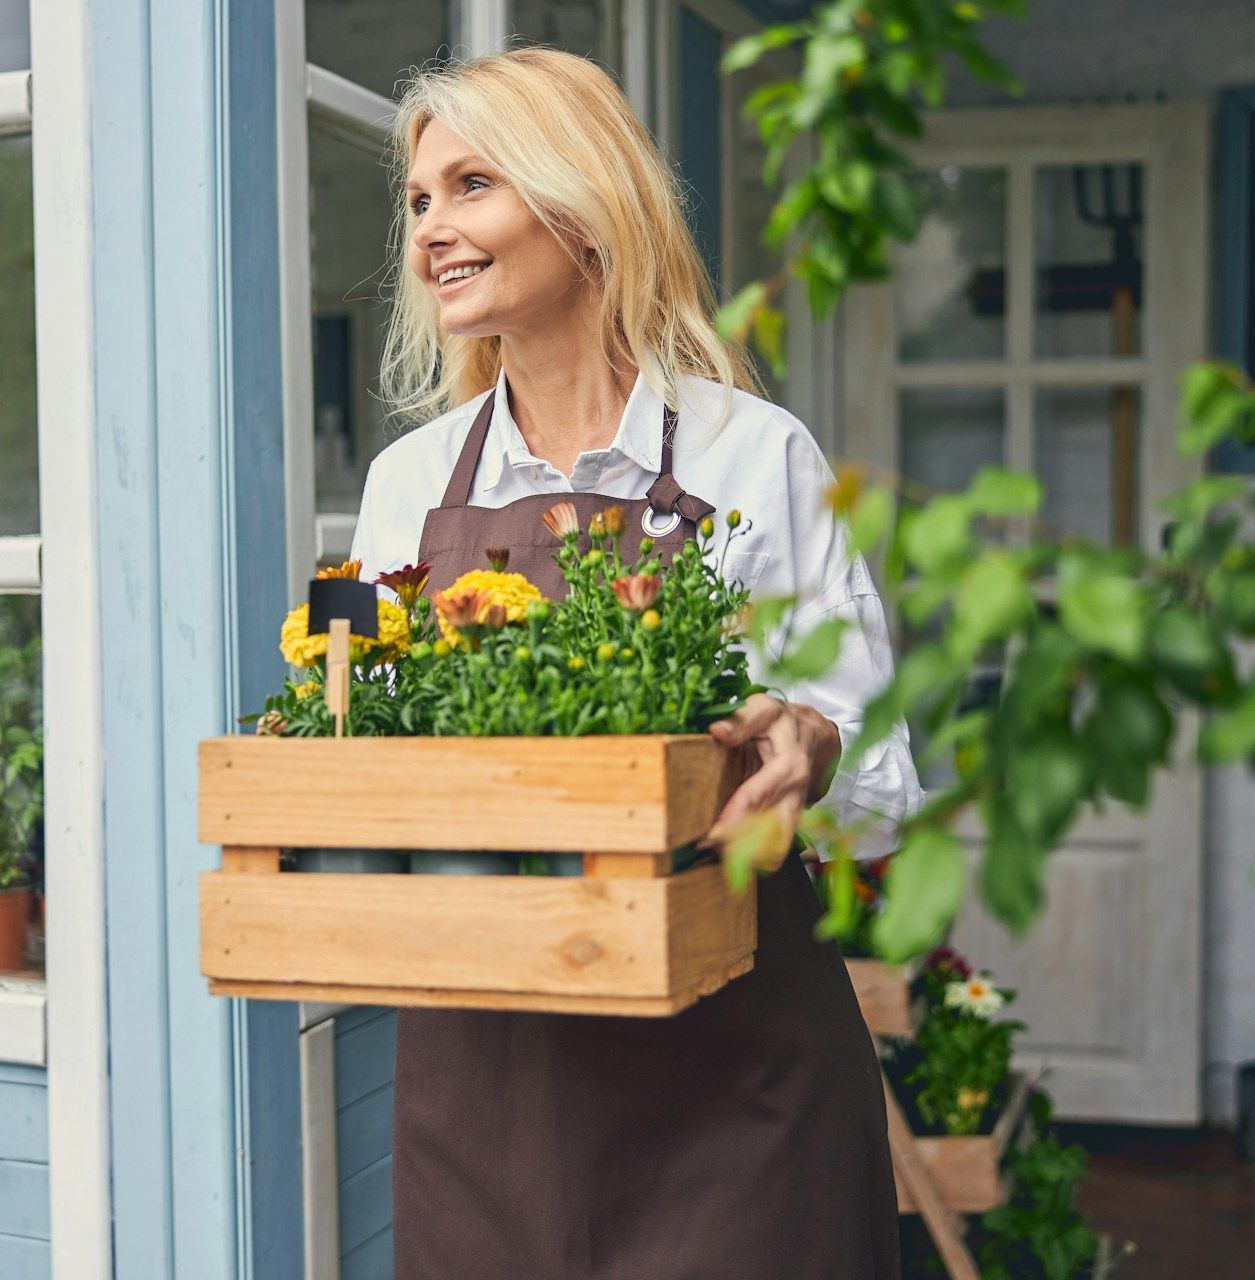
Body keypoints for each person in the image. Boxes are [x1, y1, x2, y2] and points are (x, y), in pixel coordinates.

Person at [347, 47, 924, 1280]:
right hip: (488, 1090)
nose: (431, 229)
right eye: (417, 200)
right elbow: (364, 750)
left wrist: (815, 744)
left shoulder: (750, 452)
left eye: (470, 184)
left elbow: (884, 777)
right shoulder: (406, 486)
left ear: (581, 199)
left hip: (736, 1076)